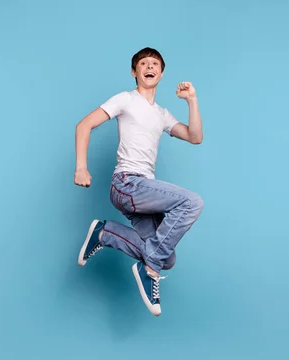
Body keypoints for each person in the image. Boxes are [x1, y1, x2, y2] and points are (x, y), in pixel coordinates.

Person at [74, 47, 204, 317]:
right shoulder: (126, 99)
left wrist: (191, 100)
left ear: (161, 73)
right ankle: (149, 270)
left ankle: (104, 232)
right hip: (126, 184)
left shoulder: (162, 114)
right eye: (143, 63)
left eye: (155, 64)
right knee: (192, 202)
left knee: (167, 258)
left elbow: (195, 137)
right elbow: (84, 125)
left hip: (143, 192)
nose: (149, 66)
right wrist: (81, 168)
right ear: (135, 72)